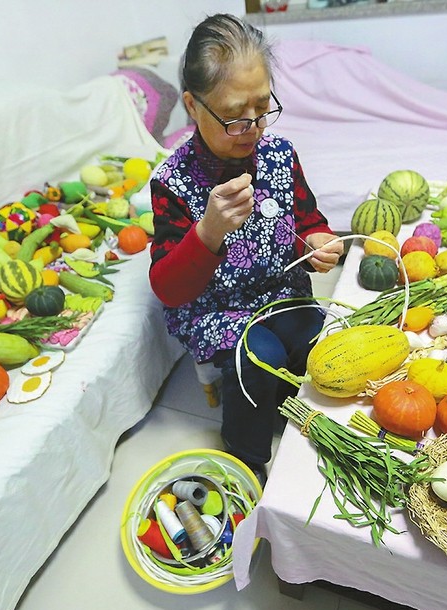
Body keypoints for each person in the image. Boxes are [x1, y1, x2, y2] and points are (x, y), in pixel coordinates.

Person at [148, 14, 342, 483]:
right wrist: (207, 233)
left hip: (284, 292)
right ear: (194, 107)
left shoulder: (279, 154)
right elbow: (168, 289)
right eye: (235, 116)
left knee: (321, 346)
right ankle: (246, 456)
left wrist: (318, 240)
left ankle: (302, 423)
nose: (253, 126)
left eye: (263, 106)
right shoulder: (172, 183)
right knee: (259, 358)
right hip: (219, 311)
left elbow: (307, 217)